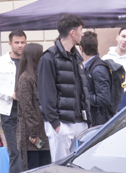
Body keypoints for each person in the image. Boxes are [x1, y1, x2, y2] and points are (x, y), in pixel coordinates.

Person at [36, 13, 89, 162]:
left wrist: (87, 120)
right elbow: (45, 93)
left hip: (80, 122)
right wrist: (56, 124)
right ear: (72, 33)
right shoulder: (48, 58)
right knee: (60, 169)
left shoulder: (77, 57)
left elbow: (82, 90)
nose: (82, 34)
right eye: (80, 30)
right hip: (62, 125)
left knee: (79, 166)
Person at [0, 29, 26, 173]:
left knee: (26, 151)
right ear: (10, 43)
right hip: (9, 112)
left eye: (22, 42)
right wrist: (10, 95)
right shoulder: (0, 62)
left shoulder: (28, 61)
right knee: (15, 150)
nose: (20, 45)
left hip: (27, 113)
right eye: (16, 42)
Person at [15, 42, 48, 170]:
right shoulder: (25, 78)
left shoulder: (40, 76)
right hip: (32, 137)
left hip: (42, 134)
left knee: (44, 169)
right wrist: (34, 133)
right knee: (33, 170)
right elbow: (27, 108)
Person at [80, 31, 114, 128]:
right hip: (95, 120)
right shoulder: (89, 66)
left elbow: (104, 99)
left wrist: (83, 97)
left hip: (99, 122)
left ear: (81, 48)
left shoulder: (98, 69)